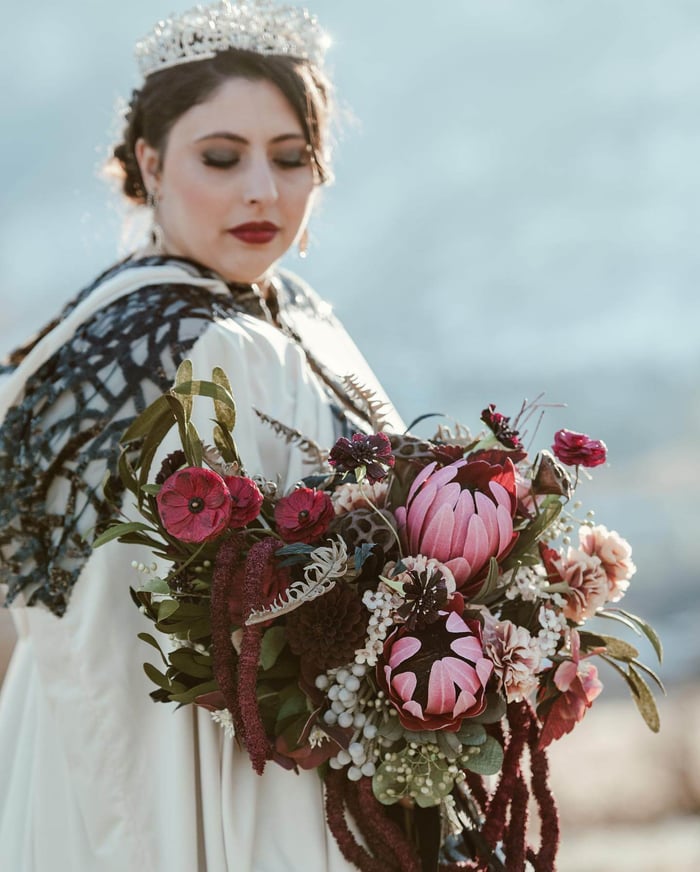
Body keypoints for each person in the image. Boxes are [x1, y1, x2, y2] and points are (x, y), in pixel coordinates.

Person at [0, 2, 402, 869]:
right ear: (149, 163)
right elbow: (111, 636)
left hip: (289, 756)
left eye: (292, 159)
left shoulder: (291, 313)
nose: (263, 188)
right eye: (221, 158)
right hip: (196, 778)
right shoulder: (182, 338)